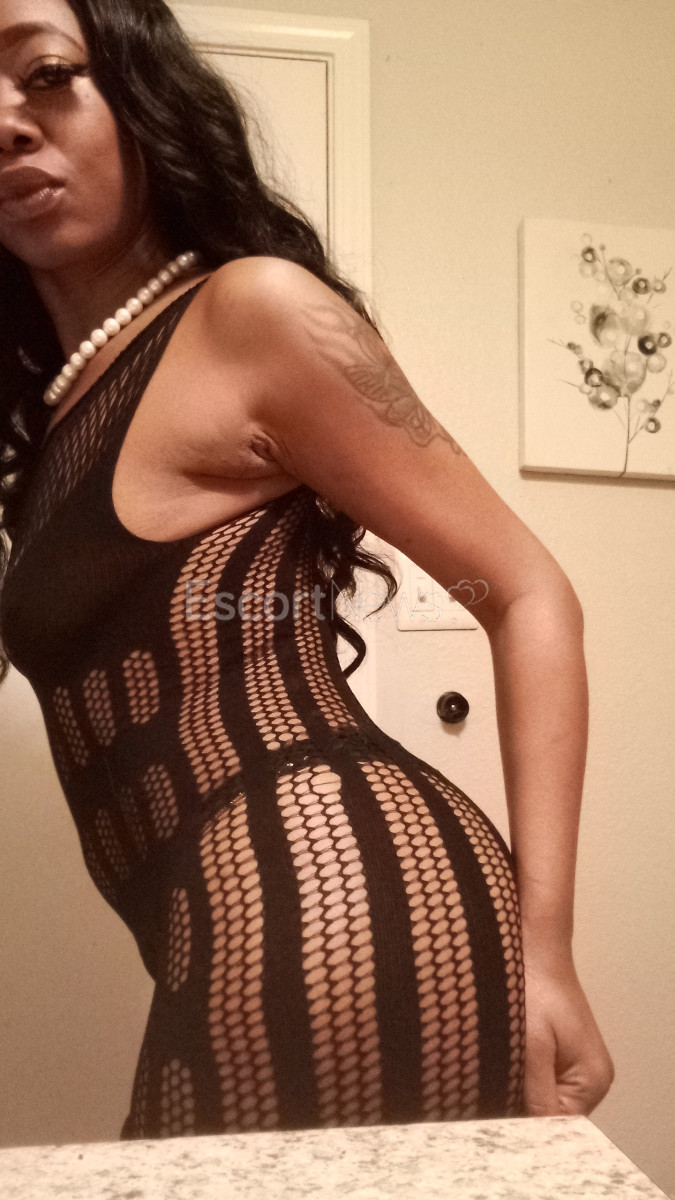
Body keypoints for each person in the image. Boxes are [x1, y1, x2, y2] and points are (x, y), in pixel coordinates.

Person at [0, 0, 614, 1140]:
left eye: (46, 73)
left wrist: (549, 949)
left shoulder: (248, 313)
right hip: (238, 918)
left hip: (328, 883)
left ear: (138, 93)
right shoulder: (56, 418)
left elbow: (526, 591)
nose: (7, 120)